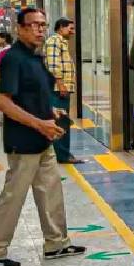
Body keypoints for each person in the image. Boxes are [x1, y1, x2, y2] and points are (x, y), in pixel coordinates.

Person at [0, 8, 86, 266]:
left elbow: (35, 95)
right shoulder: (14, 58)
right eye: (34, 25)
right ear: (20, 28)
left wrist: (51, 111)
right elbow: (4, 102)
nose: (39, 29)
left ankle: (56, 243)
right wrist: (39, 123)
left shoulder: (35, 58)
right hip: (24, 141)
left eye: (43, 25)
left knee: (51, 192)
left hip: (42, 139)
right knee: (14, 196)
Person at [44, 18, 84, 164]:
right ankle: (63, 155)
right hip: (57, 89)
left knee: (62, 120)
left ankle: (63, 153)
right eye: (70, 29)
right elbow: (53, 66)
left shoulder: (60, 42)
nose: (72, 32)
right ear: (61, 27)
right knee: (61, 121)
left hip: (61, 88)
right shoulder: (54, 41)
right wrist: (61, 84)